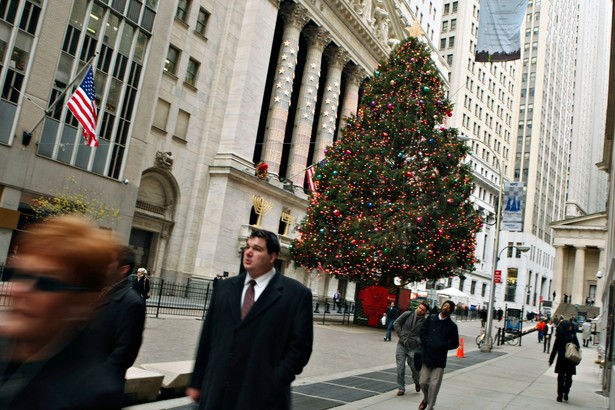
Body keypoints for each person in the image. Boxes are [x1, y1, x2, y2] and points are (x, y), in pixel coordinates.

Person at [0, 215, 124, 409]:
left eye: (46, 282)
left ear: (82, 301)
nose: (20, 290)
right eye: (21, 274)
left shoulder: (92, 395)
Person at [186, 229, 313, 409]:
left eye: (257, 249)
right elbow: (207, 338)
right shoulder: (224, 288)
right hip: (217, 393)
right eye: (247, 247)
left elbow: (300, 348)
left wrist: (274, 380)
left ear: (272, 257)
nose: (249, 252)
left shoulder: (296, 295)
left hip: (262, 397)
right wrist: (197, 381)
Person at [88, 245, 146, 378]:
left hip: (99, 384)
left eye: (109, 263)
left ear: (123, 269)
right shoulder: (97, 291)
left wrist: (95, 378)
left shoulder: (132, 303)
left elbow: (125, 353)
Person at [418, 300, 459, 410]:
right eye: (445, 305)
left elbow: (455, 343)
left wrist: (443, 345)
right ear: (441, 306)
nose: (446, 307)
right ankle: (426, 399)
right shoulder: (431, 318)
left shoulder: (451, 326)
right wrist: (427, 342)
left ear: (450, 311)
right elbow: (422, 332)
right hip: (427, 355)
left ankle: (430, 406)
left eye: (449, 307)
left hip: (439, 359)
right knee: (423, 382)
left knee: (434, 385)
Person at [393, 302, 428, 396]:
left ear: (425, 312)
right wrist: (401, 335)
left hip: (414, 348)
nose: (420, 310)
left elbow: (426, 336)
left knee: (415, 369)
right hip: (401, 345)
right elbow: (396, 323)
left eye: (422, 310)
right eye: (419, 308)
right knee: (400, 368)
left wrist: (418, 340)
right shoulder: (407, 314)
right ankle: (401, 388)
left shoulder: (425, 322)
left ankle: (417, 383)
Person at [549, 320, 580, 402]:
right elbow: (578, 348)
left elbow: (554, 349)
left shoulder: (559, 336)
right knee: (569, 377)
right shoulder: (573, 336)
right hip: (570, 359)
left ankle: (559, 395)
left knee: (560, 377)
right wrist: (577, 360)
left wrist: (551, 359)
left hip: (561, 359)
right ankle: (566, 392)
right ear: (569, 327)